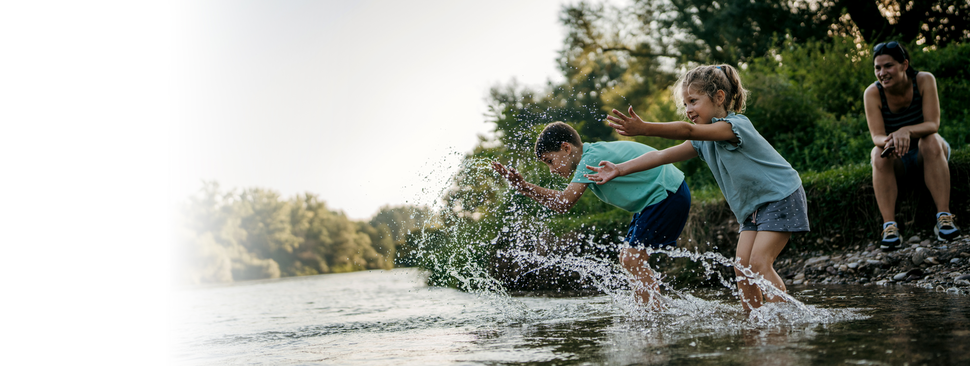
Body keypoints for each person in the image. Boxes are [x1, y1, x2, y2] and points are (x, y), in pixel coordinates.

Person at [584, 64, 809, 312]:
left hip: (780, 197)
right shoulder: (702, 143)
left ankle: (787, 323)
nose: (688, 110)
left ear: (719, 97)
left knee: (758, 262)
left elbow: (688, 129)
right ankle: (754, 323)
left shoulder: (735, 126)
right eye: (686, 104)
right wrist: (619, 169)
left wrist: (644, 128)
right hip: (752, 210)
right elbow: (661, 155)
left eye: (693, 101)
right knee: (742, 268)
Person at [491, 121, 690, 309]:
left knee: (632, 259)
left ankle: (653, 315)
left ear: (566, 148)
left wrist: (526, 186)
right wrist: (525, 189)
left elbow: (564, 202)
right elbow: (561, 205)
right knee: (627, 259)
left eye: (550, 161)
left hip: (666, 193)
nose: (551, 170)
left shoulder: (590, 157)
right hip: (660, 197)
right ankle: (647, 311)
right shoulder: (589, 156)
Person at [863, 41, 961, 250]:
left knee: (931, 139)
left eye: (888, 66)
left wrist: (906, 130)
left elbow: (933, 124)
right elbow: (877, 136)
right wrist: (892, 140)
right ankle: (890, 227)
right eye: (877, 68)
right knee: (877, 152)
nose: (882, 73)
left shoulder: (924, 80)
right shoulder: (872, 92)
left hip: (929, 153)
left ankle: (944, 218)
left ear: (904, 65)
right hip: (898, 158)